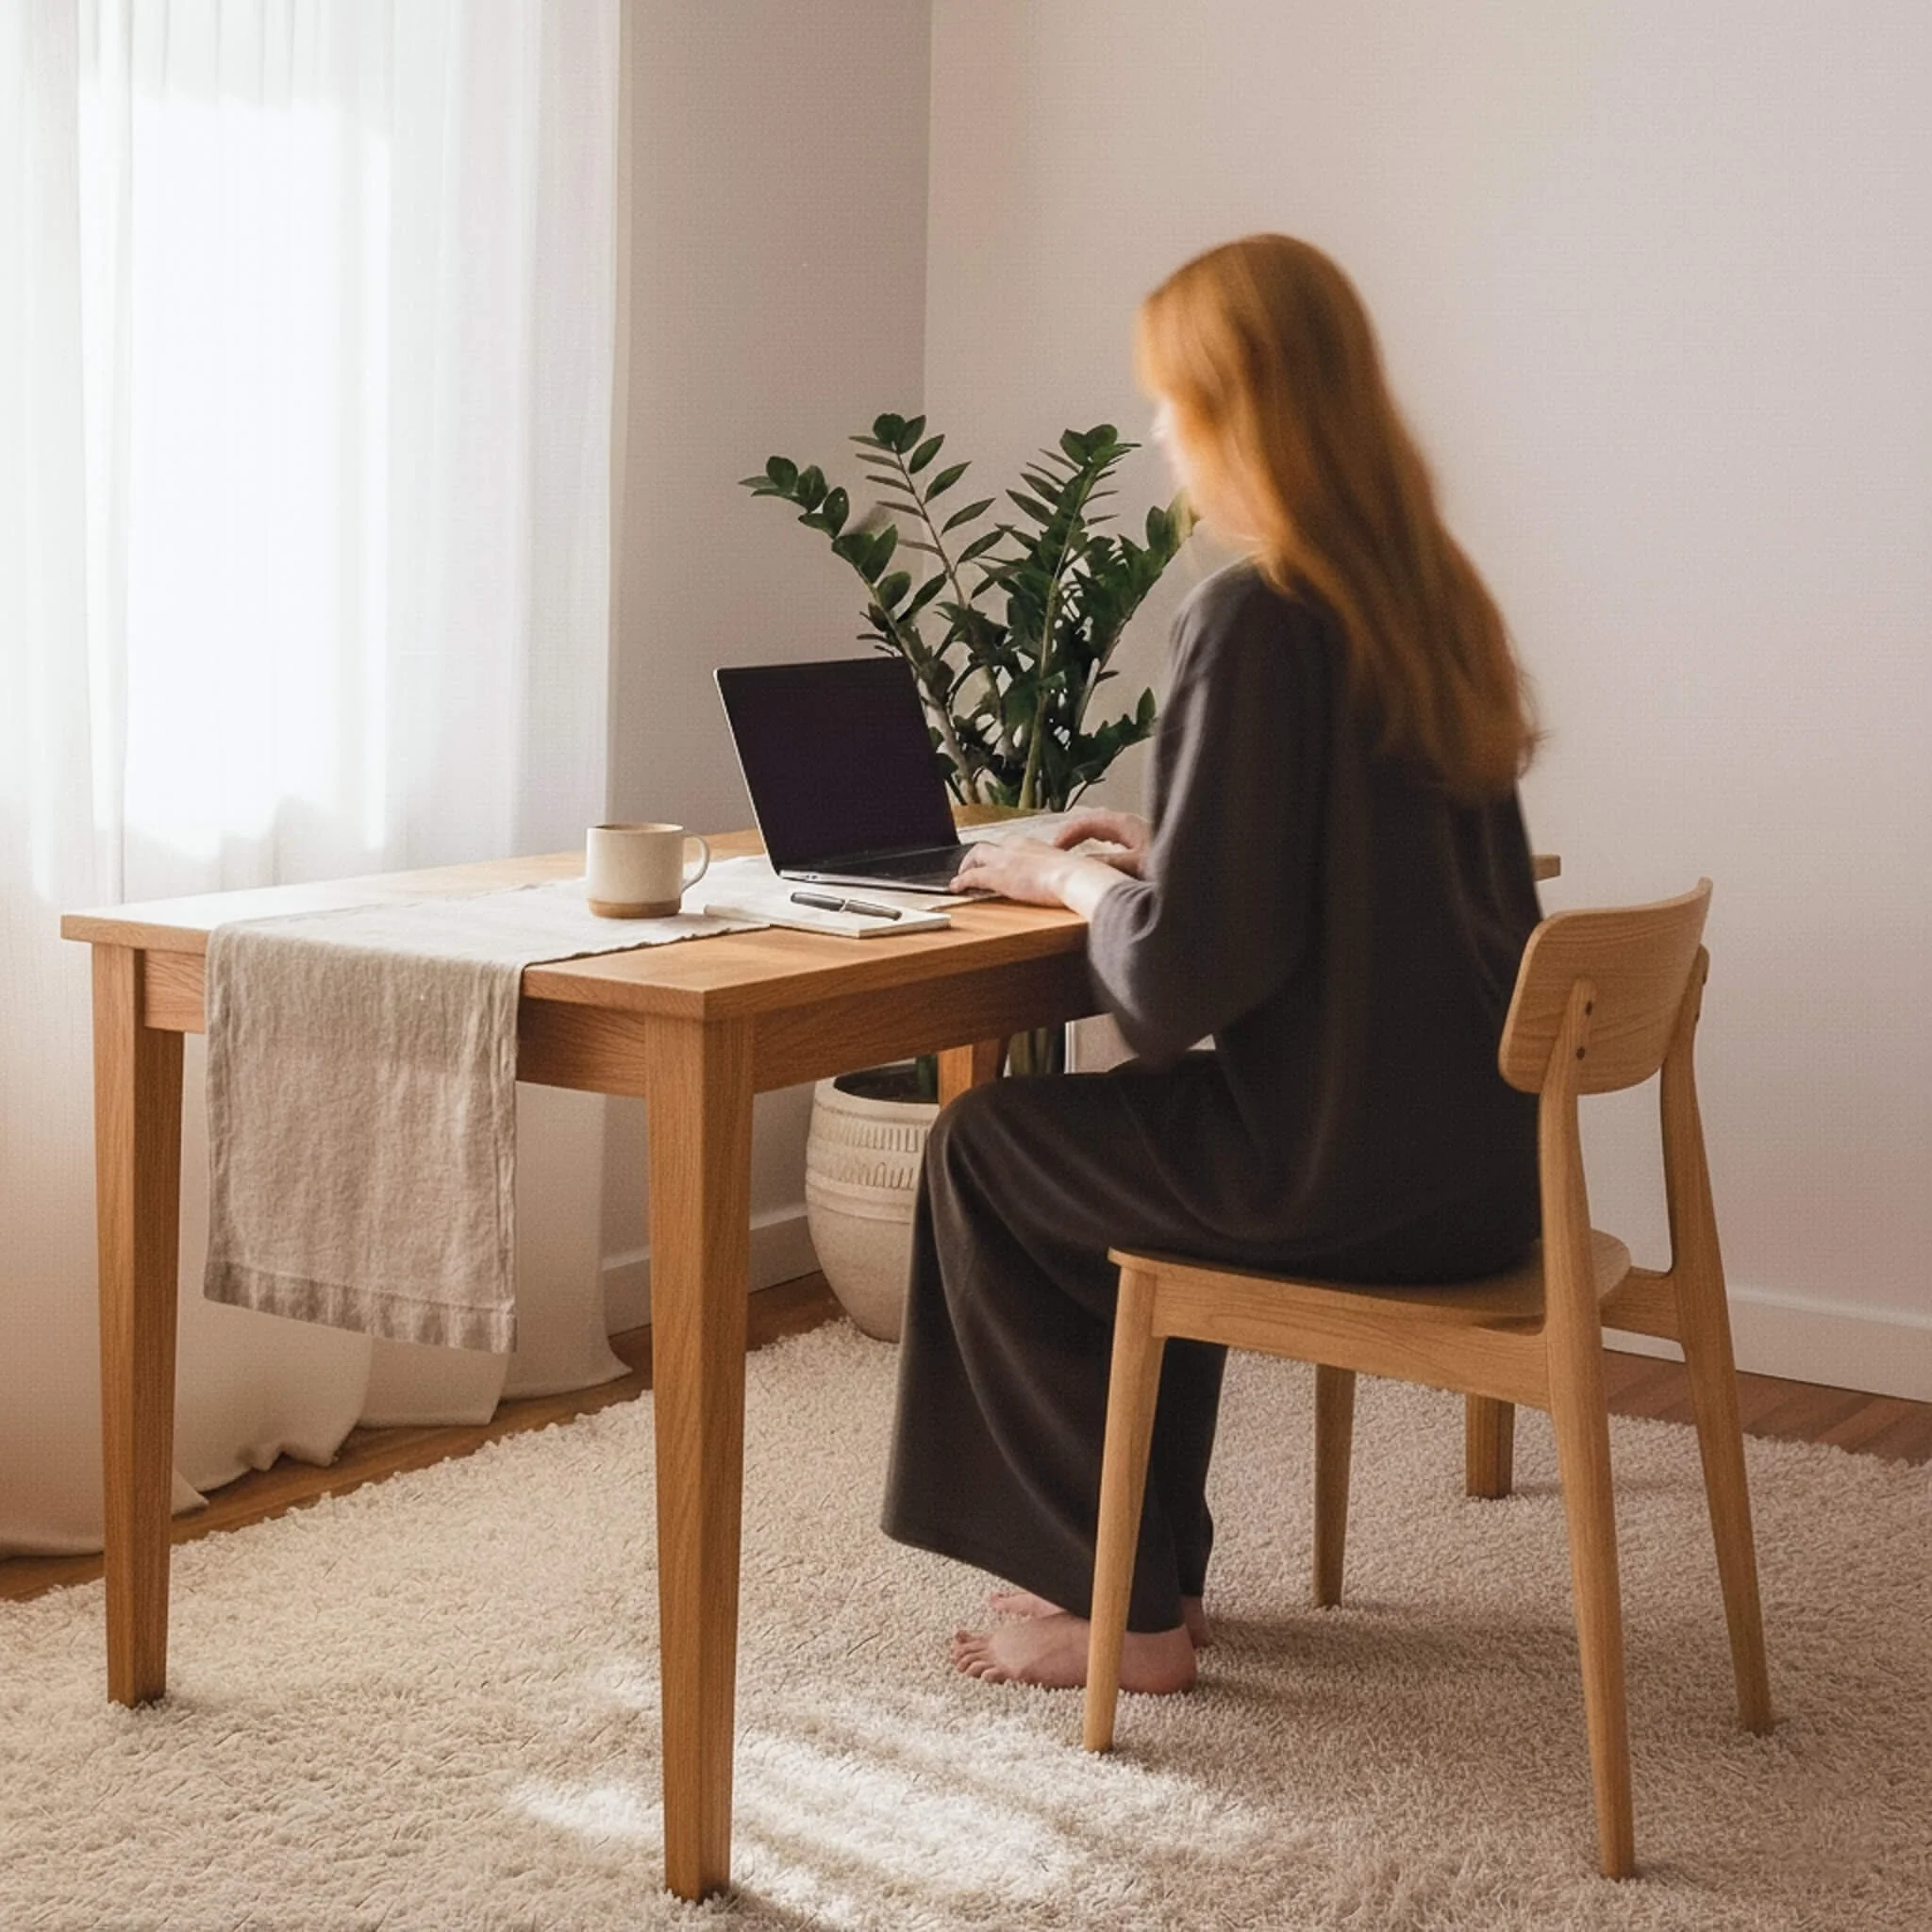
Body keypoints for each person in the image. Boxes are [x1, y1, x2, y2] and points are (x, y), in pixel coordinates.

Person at [880, 233, 1545, 1693]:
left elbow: (1179, 996)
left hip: (1334, 1171)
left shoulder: (1258, 610)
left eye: (1176, 403)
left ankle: (1116, 1604)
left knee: (992, 1149)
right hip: (1486, 1173)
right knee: (1106, 1168)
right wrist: (1176, 845)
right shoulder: (1432, 601)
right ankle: (1140, 1571)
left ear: (1241, 410)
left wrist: (1064, 875)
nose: (1166, 436)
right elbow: (1336, 883)